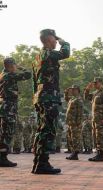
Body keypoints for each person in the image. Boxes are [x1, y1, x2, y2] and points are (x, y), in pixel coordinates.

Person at [32, 29, 70, 174]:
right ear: (49, 39)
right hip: (49, 98)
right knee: (48, 130)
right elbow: (65, 53)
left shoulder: (37, 57)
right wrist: (64, 42)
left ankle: (38, 163)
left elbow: (34, 82)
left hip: (41, 97)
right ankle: (43, 164)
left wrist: (35, 98)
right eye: (54, 39)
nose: (56, 42)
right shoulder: (49, 53)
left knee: (41, 130)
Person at [0, 57, 31, 167]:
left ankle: (2, 157)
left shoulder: (2, 75)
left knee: (4, 132)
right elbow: (28, 74)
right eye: (14, 65)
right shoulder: (8, 75)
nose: (15, 67)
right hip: (9, 108)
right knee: (7, 133)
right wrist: (20, 67)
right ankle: (2, 158)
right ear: (10, 65)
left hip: (6, 107)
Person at [84, 77, 103, 162]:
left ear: (101, 83)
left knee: (101, 136)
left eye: (96, 83)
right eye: (94, 83)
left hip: (101, 118)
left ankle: (101, 155)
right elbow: (86, 98)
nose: (94, 84)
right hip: (95, 118)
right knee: (96, 136)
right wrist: (87, 89)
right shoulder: (95, 93)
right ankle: (98, 153)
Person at [65, 85, 84, 160]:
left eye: (74, 89)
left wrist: (78, 123)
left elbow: (80, 112)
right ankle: (73, 152)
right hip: (70, 122)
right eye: (72, 89)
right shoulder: (72, 99)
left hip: (75, 123)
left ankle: (75, 153)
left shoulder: (78, 99)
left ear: (78, 90)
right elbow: (66, 98)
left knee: (75, 138)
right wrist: (66, 92)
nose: (72, 91)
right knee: (71, 138)